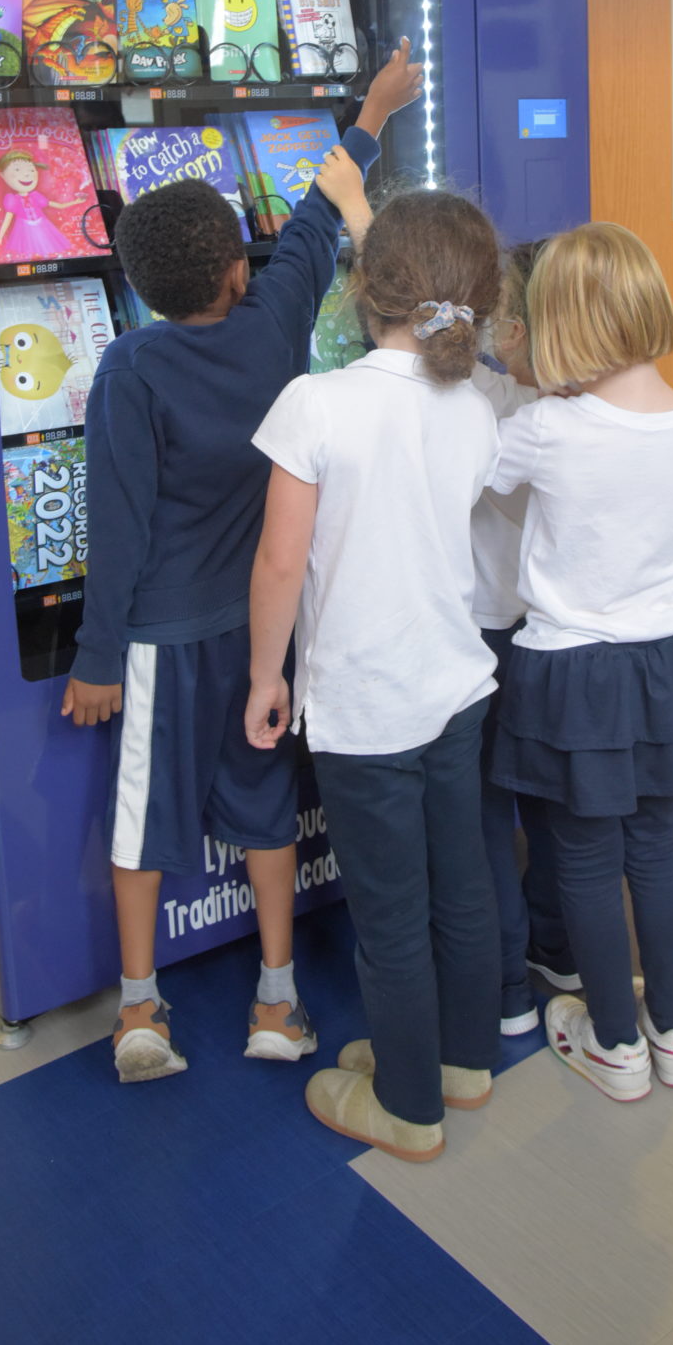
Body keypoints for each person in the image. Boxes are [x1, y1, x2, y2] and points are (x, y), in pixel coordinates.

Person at [61, 43, 421, 1084]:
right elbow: (313, 220)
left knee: (141, 819)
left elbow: (118, 524)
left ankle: (139, 1010)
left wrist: (93, 658)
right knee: (265, 806)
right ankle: (277, 997)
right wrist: (371, 112)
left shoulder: (129, 367)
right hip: (262, 633)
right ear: (234, 269)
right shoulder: (273, 332)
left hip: (159, 641)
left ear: (134, 284)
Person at [246, 185, 504, 1163]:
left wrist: (265, 675)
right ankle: (459, 1063)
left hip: (364, 703)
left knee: (388, 911)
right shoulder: (474, 404)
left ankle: (405, 1105)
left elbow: (279, 564)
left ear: (359, 286)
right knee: (462, 886)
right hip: (456, 685)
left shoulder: (316, 402)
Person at [489, 223, 673, 1102]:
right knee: (656, 854)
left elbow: (460, 473)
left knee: (585, 860)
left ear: (556, 322)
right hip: (672, 661)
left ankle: (614, 1045)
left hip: (575, 671)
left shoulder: (547, 429)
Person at [471, 243, 577, 1035]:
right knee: (551, 810)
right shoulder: (589, 410)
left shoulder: (487, 404)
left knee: (481, 816)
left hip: (478, 633)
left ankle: (504, 991)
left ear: (512, 327)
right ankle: (561, 952)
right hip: (552, 639)